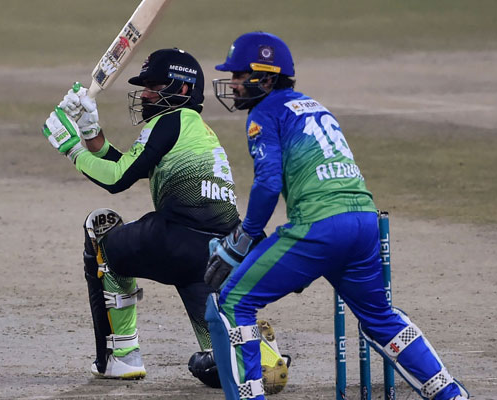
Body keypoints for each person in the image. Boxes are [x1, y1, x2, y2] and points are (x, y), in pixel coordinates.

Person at [203, 32, 470, 400]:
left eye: (238, 75)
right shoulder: (313, 105)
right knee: (379, 318)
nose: (232, 83)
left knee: (233, 301)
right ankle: (450, 394)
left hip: (319, 228)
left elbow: (267, 182)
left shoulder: (264, 113)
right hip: (364, 222)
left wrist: (246, 235)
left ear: (265, 77)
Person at [41, 48, 288, 390]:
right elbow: (128, 165)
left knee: (102, 232)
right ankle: (259, 354)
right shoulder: (195, 129)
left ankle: (121, 357)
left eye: (154, 85)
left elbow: (116, 179)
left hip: (176, 239)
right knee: (217, 362)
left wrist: (72, 148)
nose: (144, 93)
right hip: (220, 256)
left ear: (183, 89)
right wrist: (91, 131)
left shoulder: (169, 121)